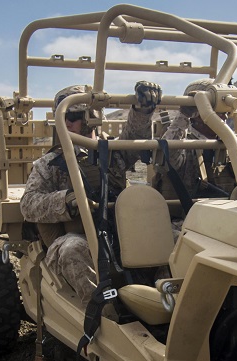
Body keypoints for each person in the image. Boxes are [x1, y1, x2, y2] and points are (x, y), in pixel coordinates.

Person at [20, 80, 161, 304]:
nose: (67, 122)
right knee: (73, 250)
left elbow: (133, 140)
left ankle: (162, 302)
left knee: (169, 235)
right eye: (63, 116)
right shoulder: (50, 164)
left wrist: (142, 111)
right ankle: (104, 314)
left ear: (91, 118)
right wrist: (66, 201)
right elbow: (28, 205)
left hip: (117, 231)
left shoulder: (110, 152)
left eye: (74, 117)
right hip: (76, 237)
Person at [153, 78, 235, 203]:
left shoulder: (230, 144)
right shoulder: (183, 142)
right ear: (196, 112)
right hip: (183, 219)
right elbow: (167, 159)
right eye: (216, 110)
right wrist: (184, 115)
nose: (224, 116)